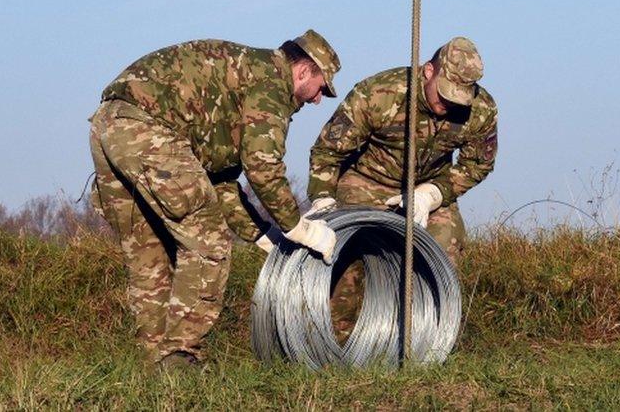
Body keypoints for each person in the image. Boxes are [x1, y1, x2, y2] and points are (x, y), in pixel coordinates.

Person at [88, 30, 340, 367]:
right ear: (304, 71)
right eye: (321, 87)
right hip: (149, 131)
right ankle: (181, 360)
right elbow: (262, 167)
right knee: (210, 243)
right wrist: (300, 228)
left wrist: (262, 234)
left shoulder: (246, 77)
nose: (318, 99)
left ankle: (154, 366)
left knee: (148, 252)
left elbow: (218, 183)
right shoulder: (271, 82)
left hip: (110, 125)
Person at [306, 37, 497, 264]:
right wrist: (323, 199)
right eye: (445, 93)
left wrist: (433, 194)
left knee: (444, 248)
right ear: (428, 71)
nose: (450, 103)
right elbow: (327, 151)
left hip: (427, 186)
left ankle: (426, 300)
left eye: (459, 98)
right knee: (345, 257)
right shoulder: (379, 94)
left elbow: (477, 165)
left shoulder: (480, 110)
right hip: (366, 181)